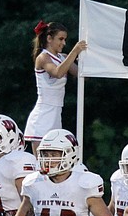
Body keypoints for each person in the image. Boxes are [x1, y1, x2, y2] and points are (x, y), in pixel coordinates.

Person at [23, 21, 87, 153]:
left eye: (65, 40)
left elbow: (81, 74)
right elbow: (57, 72)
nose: (64, 43)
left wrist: (85, 58)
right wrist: (75, 51)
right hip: (43, 116)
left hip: (56, 114)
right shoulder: (43, 58)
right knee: (41, 164)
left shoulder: (62, 57)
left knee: (55, 163)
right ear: (49, 38)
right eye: (61, 39)